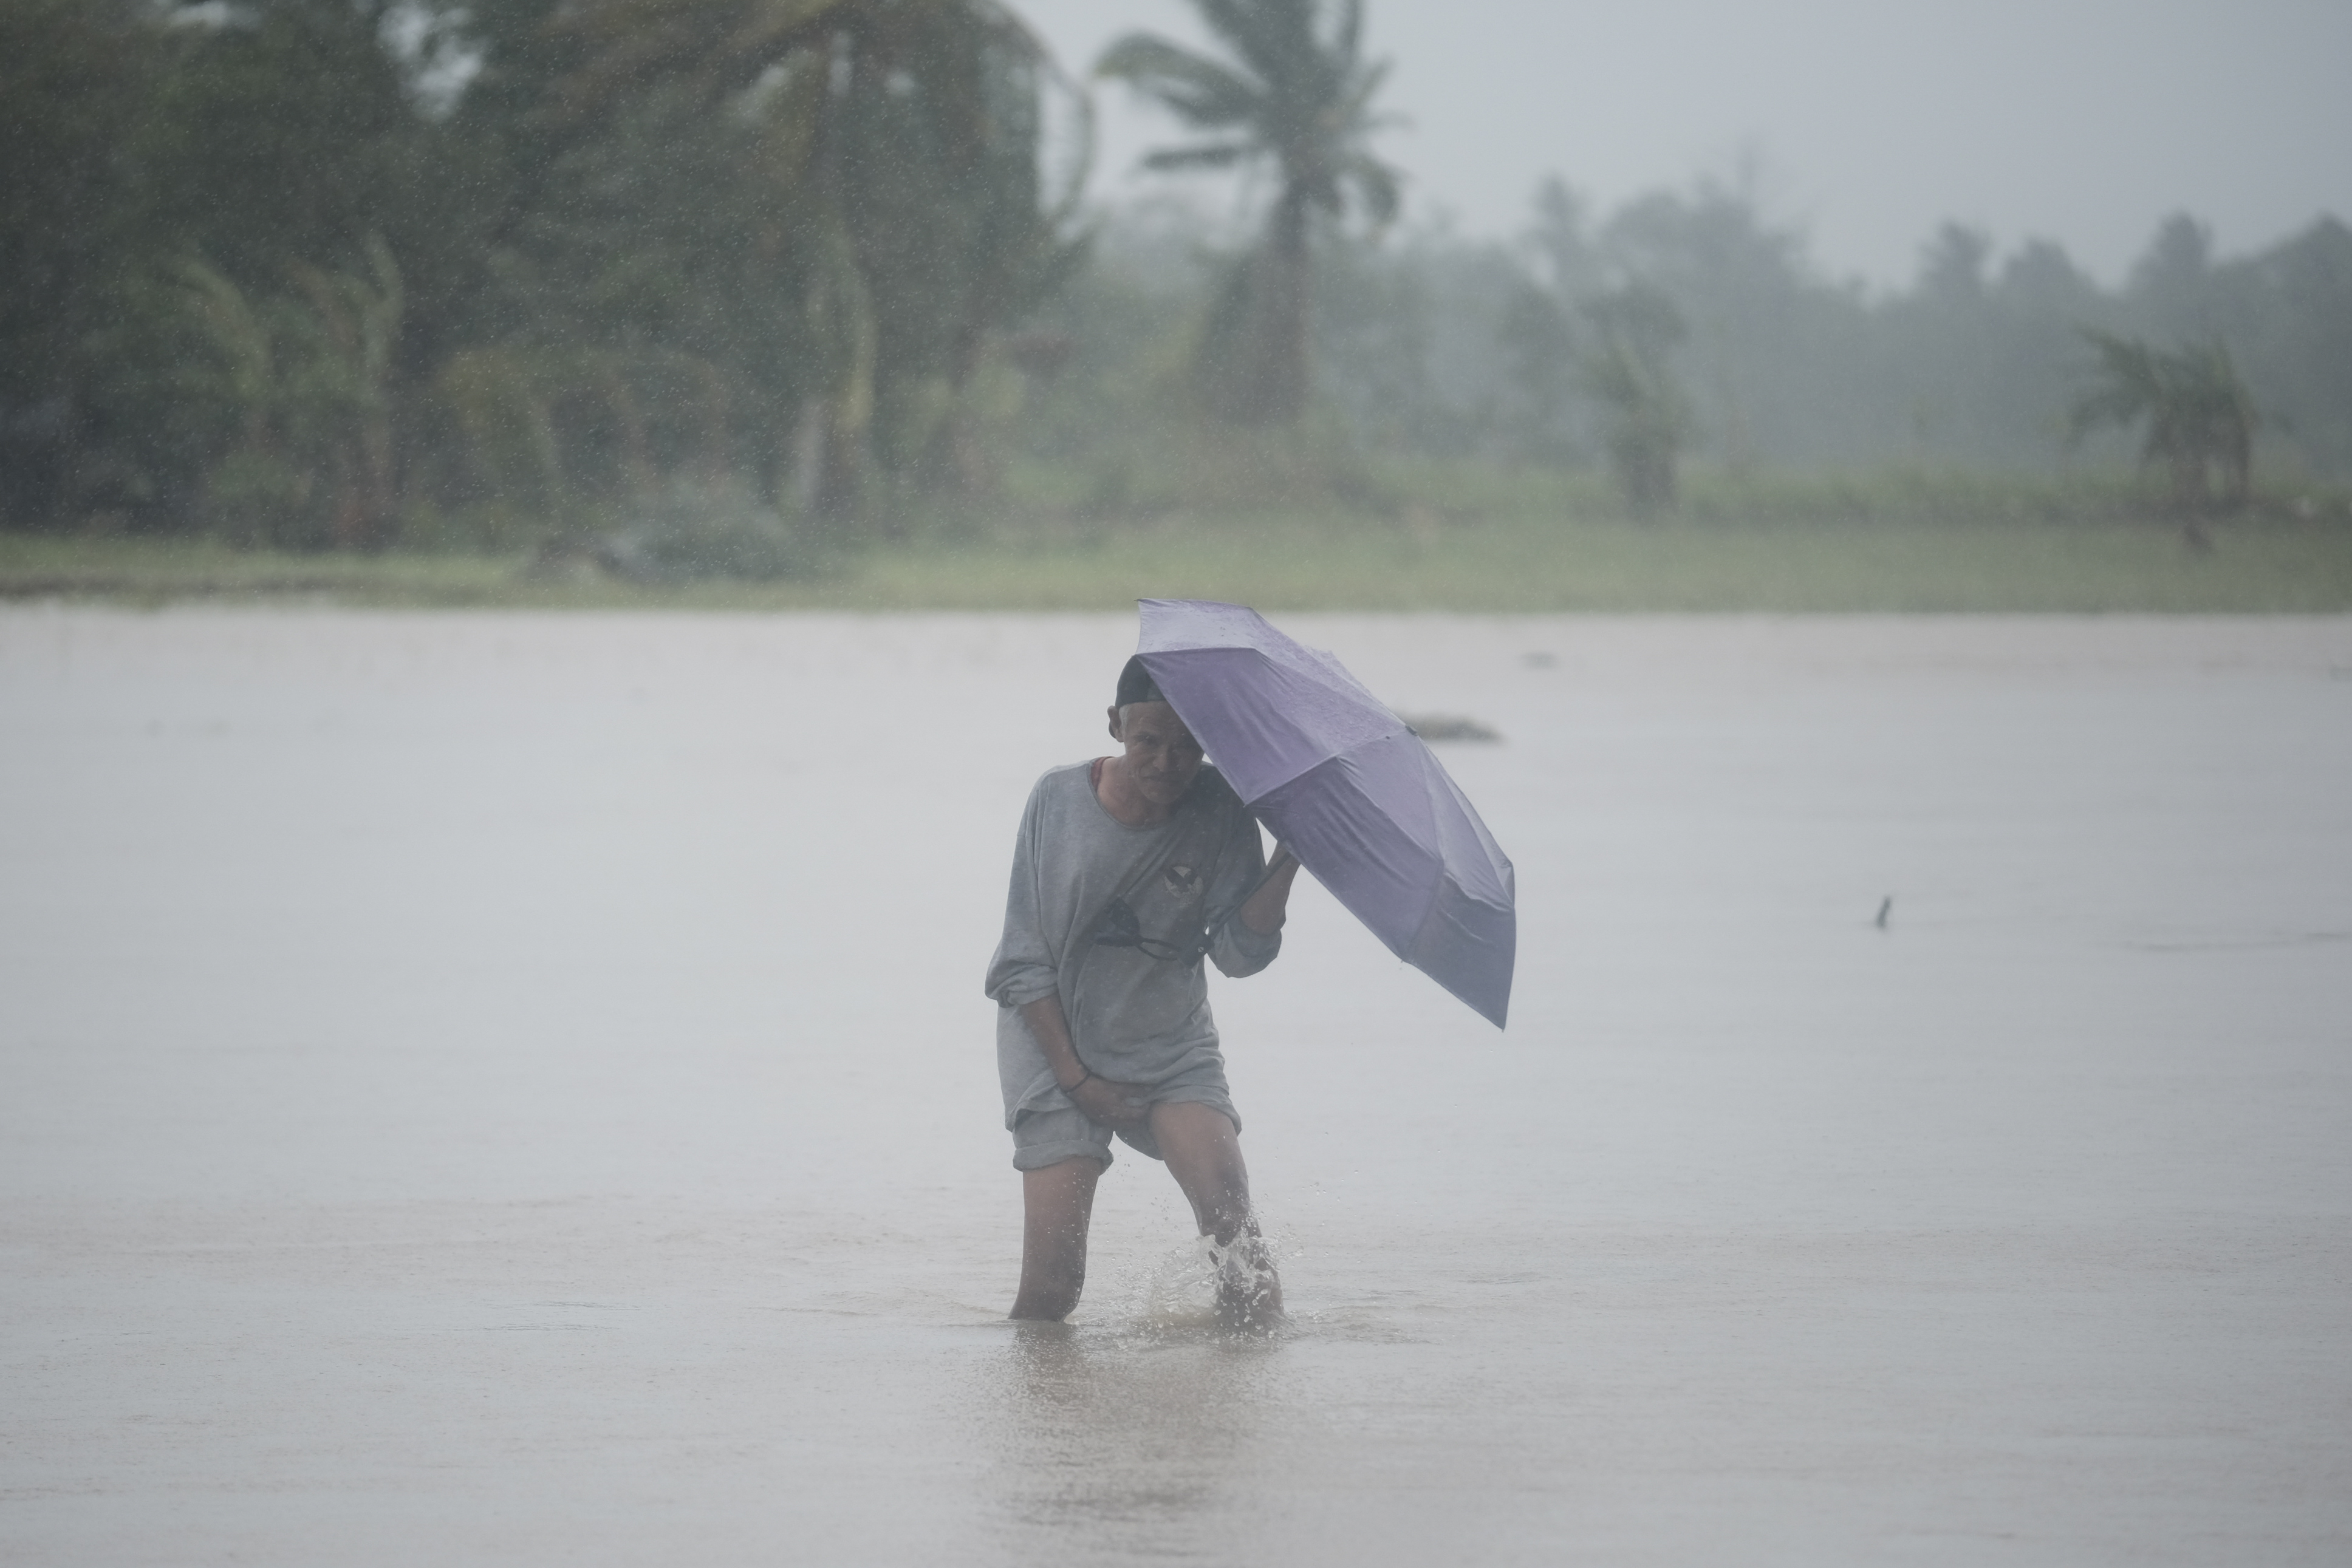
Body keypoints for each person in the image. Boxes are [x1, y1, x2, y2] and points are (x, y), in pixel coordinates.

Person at [985, 656, 1301, 1328]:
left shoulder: (1221, 808)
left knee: (1241, 1254)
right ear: (1114, 726)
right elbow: (1020, 962)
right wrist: (1076, 1079)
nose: (1166, 762)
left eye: (1188, 745)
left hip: (1168, 1044)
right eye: (1148, 741)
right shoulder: (1057, 800)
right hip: (1051, 1040)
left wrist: (1290, 859)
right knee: (1053, 1289)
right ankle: (1038, 1427)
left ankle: (1239, 1415)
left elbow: (1237, 956)